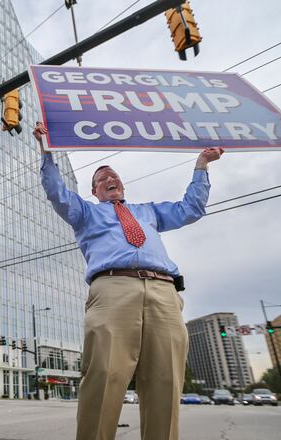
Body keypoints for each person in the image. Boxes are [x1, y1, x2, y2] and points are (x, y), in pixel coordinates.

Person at [32, 121, 223, 440]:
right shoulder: (86, 213)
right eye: (102, 179)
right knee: (104, 375)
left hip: (163, 291)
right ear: (94, 191)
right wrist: (46, 150)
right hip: (113, 289)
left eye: (114, 177)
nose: (110, 180)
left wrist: (202, 164)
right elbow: (57, 193)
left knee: (166, 380)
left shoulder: (148, 212)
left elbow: (191, 209)